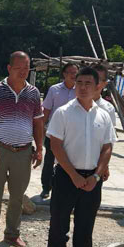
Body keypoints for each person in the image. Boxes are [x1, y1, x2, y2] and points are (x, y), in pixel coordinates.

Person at [44, 66, 114, 247]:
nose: (83, 87)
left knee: (85, 226)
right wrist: (73, 175)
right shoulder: (63, 113)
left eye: (88, 83)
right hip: (66, 177)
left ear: (97, 86)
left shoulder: (103, 115)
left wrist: (96, 176)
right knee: (59, 226)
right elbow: (55, 146)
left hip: (92, 179)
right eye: (79, 83)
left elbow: (107, 147)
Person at [0, 51, 44, 247]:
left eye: (26, 68)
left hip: (23, 151)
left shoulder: (33, 93)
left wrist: (39, 148)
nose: (23, 71)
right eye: (18, 67)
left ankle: (13, 234)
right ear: (9, 68)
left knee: (17, 196)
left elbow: (38, 122)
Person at [39, 62, 78, 199]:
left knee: (70, 160)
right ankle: (46, 187)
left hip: (72, 133)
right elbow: (46, 111)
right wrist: (41, 132)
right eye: (70, 72)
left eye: (75, 73)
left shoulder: (80, 90)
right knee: (49, 160)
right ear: (64, 74)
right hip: (54, 132)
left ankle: (66, 187)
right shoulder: (54, 90)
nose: (73, 75)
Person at [92, 63, 117, 181]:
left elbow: (109, 140)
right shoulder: (69, 106)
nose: (96, 83)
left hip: (96, 166)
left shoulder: (108, 109)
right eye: (93, 78)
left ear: (105, 83)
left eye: (99, 79)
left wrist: (105, 165)